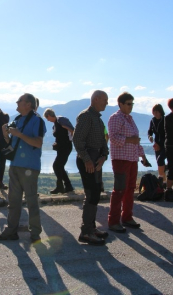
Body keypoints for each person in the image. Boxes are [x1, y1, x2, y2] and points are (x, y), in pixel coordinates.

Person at [0, 93, 46, 243]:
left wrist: (20, 134)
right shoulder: (17, 120)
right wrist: (6, 135)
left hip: (30, 166)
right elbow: (12, 142)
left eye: (20, 100)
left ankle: (35, 234)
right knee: (13, 201)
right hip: (15, 165)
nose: (17, 102)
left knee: (31, 202)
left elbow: (38, 143)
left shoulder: (37, 121)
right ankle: (11, 231)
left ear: (28, 104)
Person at [73, 90, 109, 245]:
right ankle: (86, 232)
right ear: (96, 99)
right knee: (91, 194)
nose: (107, 103)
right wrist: (87, 160)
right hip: (87, 160)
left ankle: (91, 228)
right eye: (105, 100)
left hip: (96, 160)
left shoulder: (98, 119)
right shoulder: (86, 116)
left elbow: (103, 142)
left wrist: (103, 156)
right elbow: (78, 140)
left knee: (95, 194)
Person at [107, 92, 148, 233]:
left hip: (132, 159)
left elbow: (136, 139)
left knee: (130, 189)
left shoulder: (130, 119)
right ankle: (113, 221)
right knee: (119, 190)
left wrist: (143, 156)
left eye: (132, 104)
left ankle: (127, 217)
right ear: (121, 104)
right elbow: (112, 137)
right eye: (129, 104)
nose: (131, 106)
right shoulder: (115, 118)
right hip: (121, 159)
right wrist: (130, 140)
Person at [43, 108, 74, 194]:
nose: (47, 120)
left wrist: (72, 140)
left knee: (56, 166)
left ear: (49, 115)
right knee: (59, 166)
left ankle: (61, 186)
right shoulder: (55, 124)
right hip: (61, 148)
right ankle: (68, 186)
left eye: (47, 118)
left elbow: (72, 130)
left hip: (66, 147)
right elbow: (61, 135)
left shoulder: (60, 121)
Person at [148, 104, 166, 186]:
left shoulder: (165, 120)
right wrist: (150, 137)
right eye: (153, 111)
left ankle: (161, 178)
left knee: (160, 160)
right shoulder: (152, 120)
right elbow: (150, 131)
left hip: (166, 144)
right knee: (160, 163)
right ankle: (164, 182)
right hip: (157, 144)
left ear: (160, 111)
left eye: (156, 111)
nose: (155, 113)